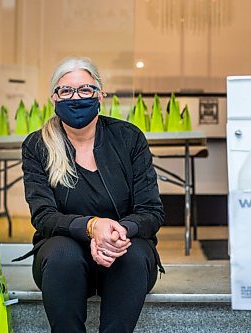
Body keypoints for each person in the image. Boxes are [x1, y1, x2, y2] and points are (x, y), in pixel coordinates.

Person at [20, 57, 165, 332]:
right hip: (65, 260)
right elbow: (44, 216)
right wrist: (91, 226)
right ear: (54, 97)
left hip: (123, 252)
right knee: (62, 254)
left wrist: (117, 232)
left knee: (133, 254)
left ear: (101, 95)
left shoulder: (129, 138)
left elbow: (152, 211)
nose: (76, 98)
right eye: (66, 90)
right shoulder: (37, 145)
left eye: (85, 90)